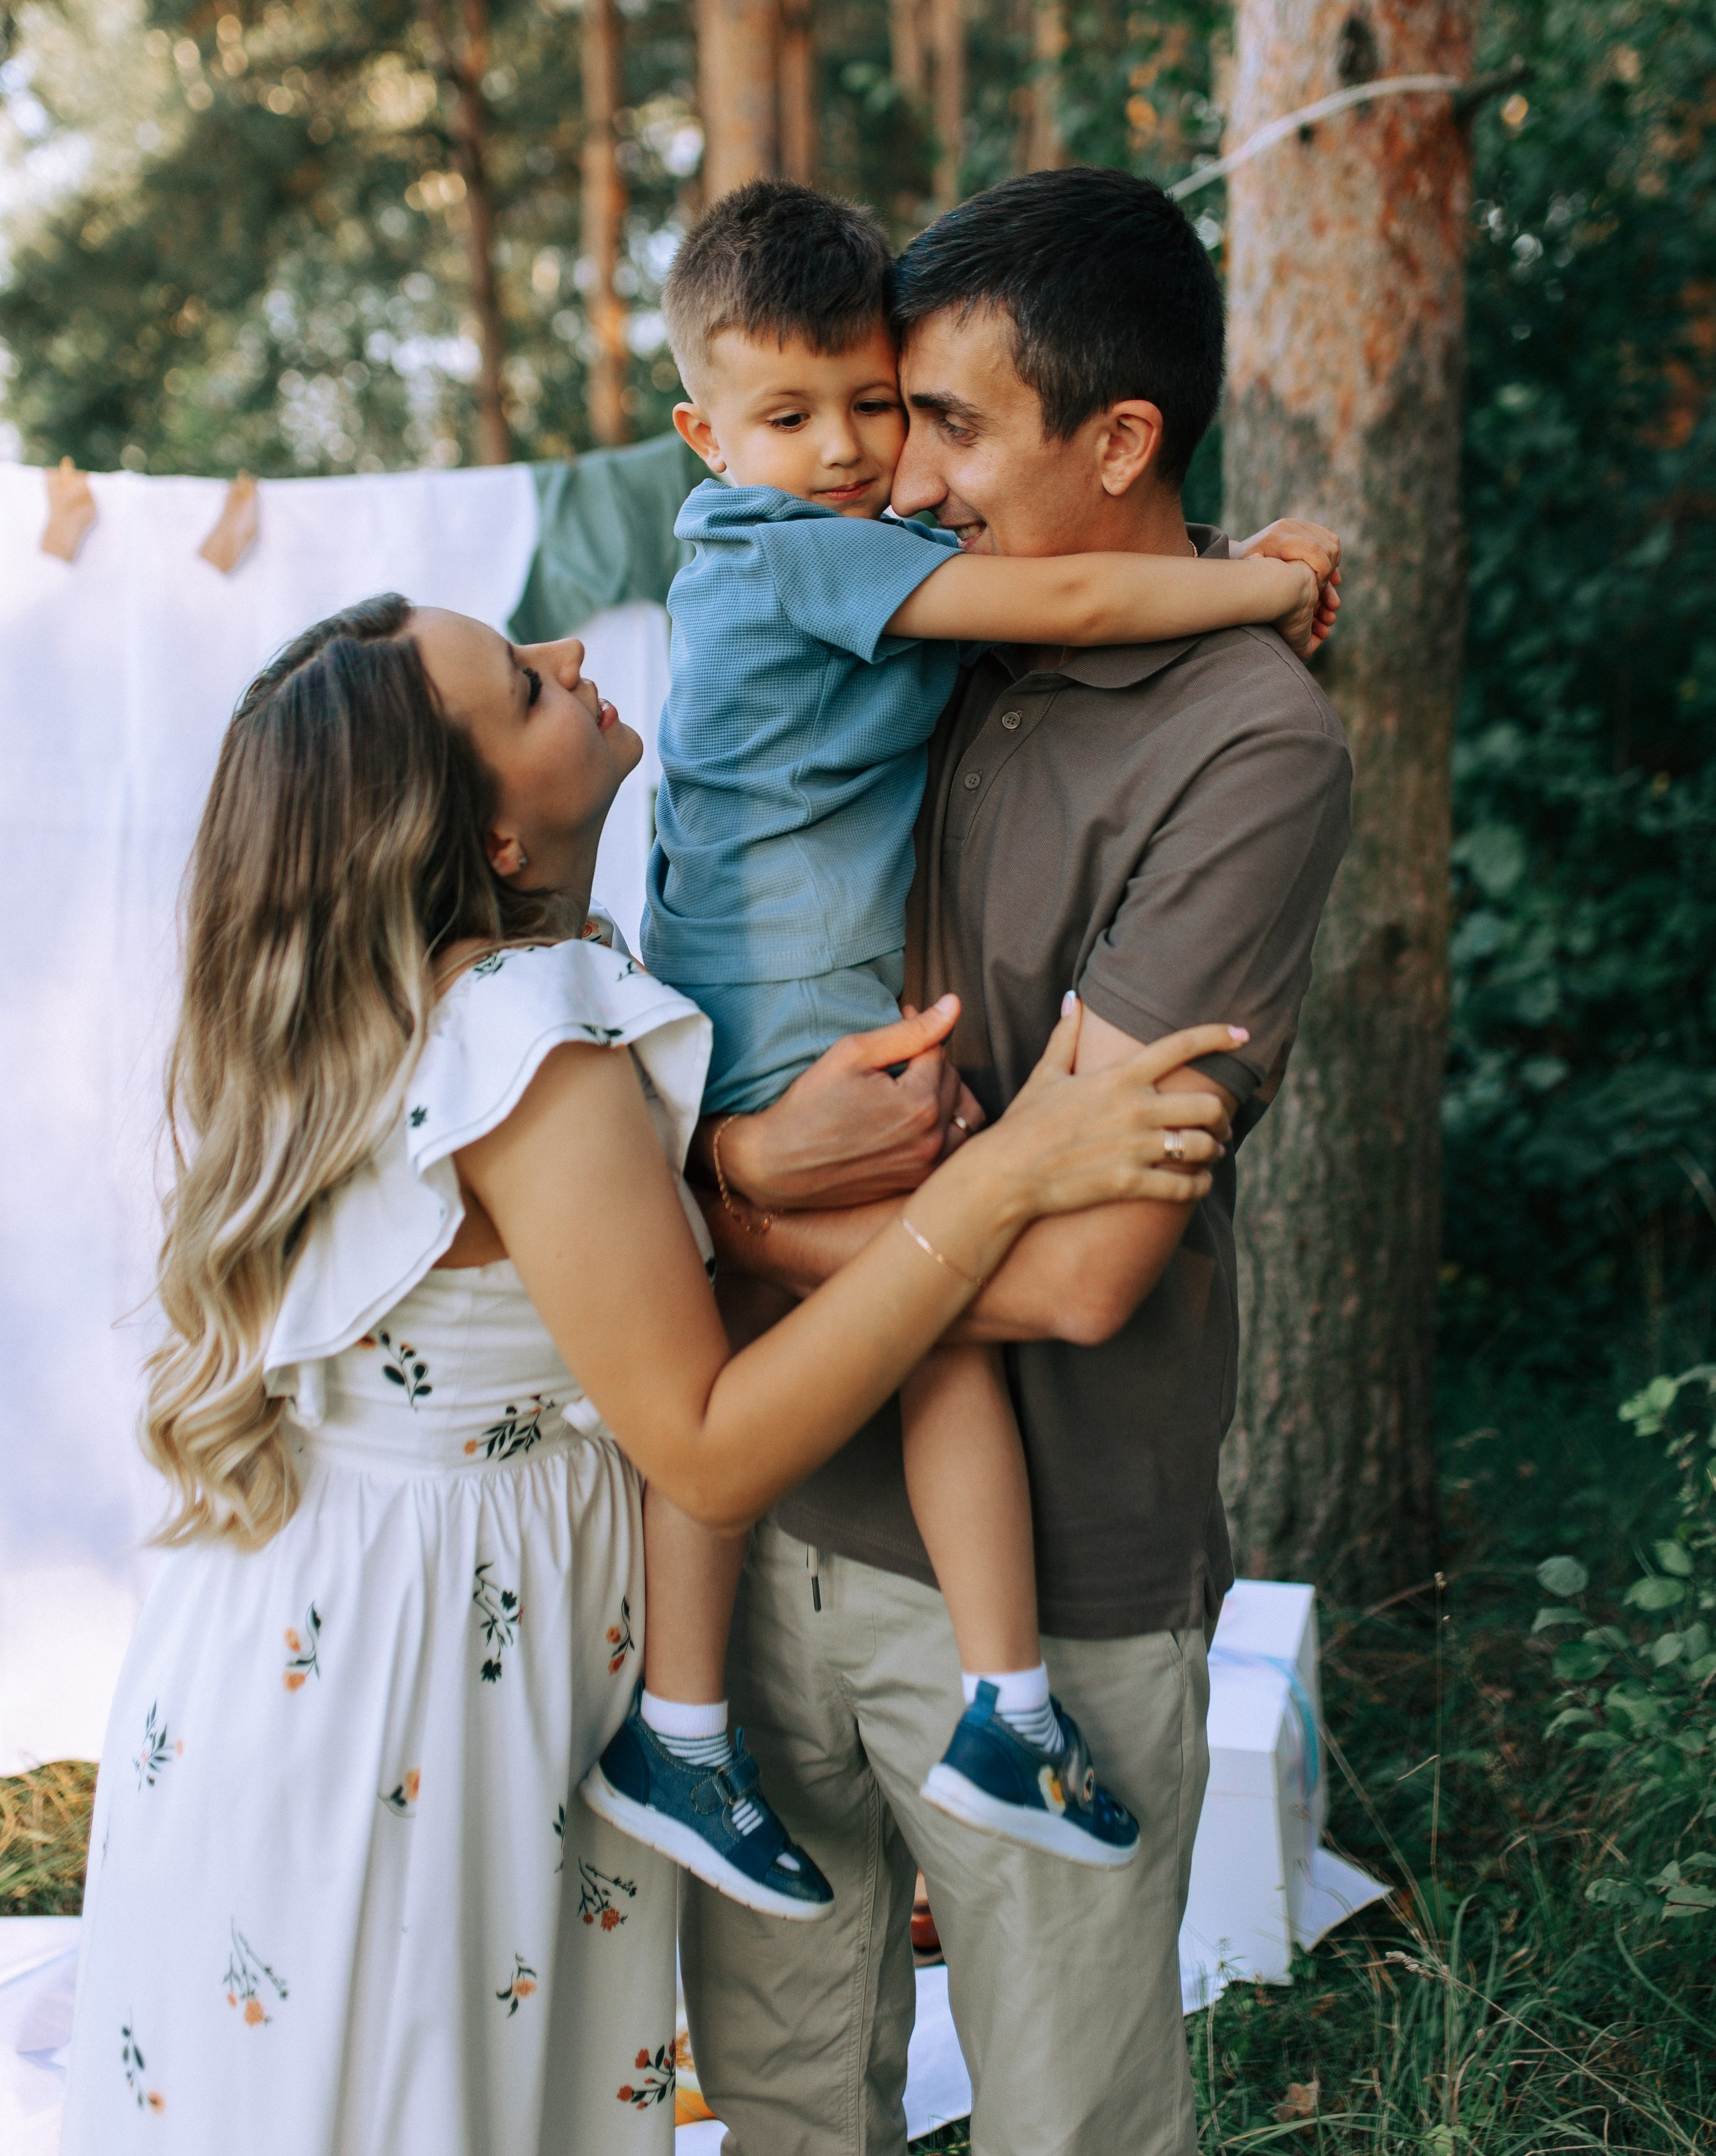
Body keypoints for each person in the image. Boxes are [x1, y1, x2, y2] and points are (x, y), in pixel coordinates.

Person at [58, 588, 1243, 2156]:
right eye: (524, 691)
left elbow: (563, 1251)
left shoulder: (361, 1015)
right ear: (483, 837)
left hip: (288, 1641)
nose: (571, 662)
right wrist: (1001, 1174)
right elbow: (702, 1447)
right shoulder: (528, 1038)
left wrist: (738, 1165)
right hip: (431, 1687)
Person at [678, 168, 1355, 2156]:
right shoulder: (912, 615)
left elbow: (1078, 1276)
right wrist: (740, 1156)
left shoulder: (1247, 744)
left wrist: (721, 1213)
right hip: (783, 1509)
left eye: (944, 423)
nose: (899, 469)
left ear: (1120, 439)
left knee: (1069, 2125)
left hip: (1043, 1596)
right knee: (793, 2114)